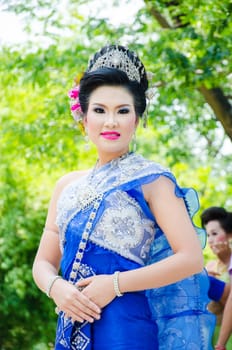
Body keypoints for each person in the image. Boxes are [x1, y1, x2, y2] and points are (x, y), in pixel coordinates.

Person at [32, 44, 215, 349]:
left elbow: (191, 258)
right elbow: (43, 263)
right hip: (70, 322)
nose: (111, 122)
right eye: (100, 110)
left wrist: (114, 285)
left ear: (138, 116)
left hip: (126, 330)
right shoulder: (66, 186)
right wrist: (56, 288)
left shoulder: (152, 181)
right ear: (84, 117)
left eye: (123, 111)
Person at [201, 206, 232, 349]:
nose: (211, 240)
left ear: (229, 234)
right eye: (208, 235)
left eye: (214, 233)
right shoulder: (209, 266)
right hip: (210, 336)